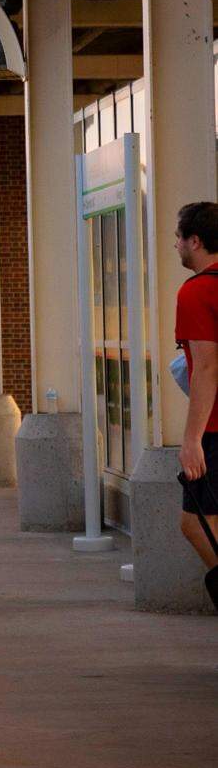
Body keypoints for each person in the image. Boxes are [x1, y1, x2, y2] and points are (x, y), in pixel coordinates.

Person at [173, 201, 218, 573]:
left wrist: (192, 439)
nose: (176, 245)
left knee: (195, 523)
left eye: (179, 238)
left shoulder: (196, 291)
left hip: (216, 428)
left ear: (196, 241)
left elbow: (205, 367)